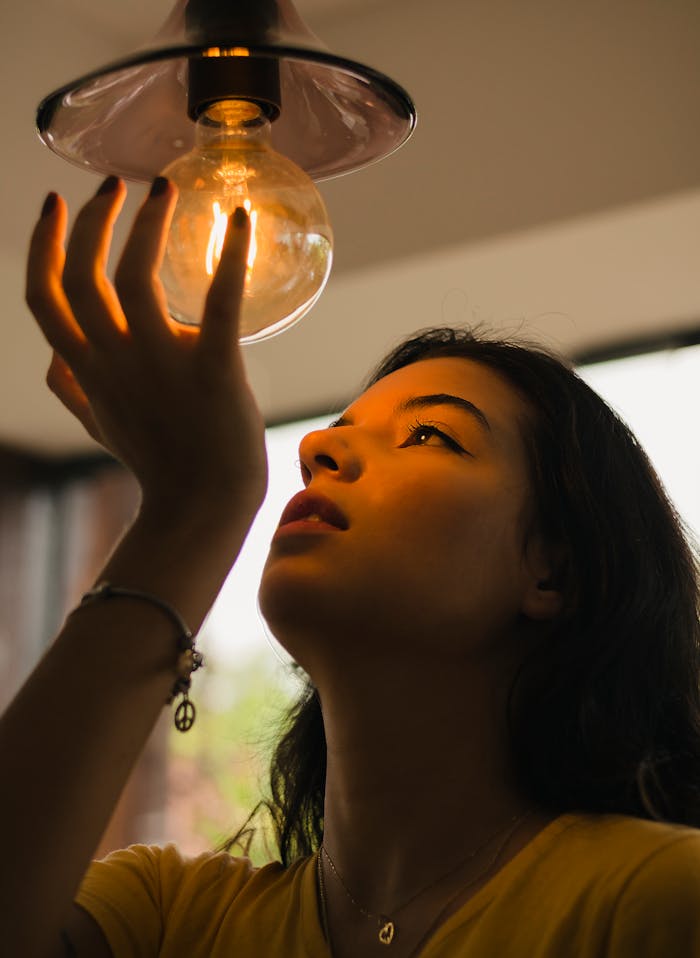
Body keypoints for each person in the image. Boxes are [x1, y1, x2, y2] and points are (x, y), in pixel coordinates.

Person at [3, 174, 700, 958]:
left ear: (552, 574)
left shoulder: (659, 901)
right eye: (334, 431)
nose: (315, 449)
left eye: (430, 436)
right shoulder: (169, 919)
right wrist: (186, 514)